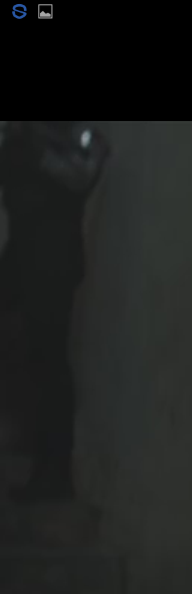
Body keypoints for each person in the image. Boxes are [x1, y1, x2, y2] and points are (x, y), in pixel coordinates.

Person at [0, 121, 109, 504]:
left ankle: (52, 471)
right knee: (33, 360)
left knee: (48, 364)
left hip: (52, 263)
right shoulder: (19, 140)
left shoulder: (69, 133)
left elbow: (85, 171)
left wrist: (37, 151)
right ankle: (34, 449)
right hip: (23, 261)